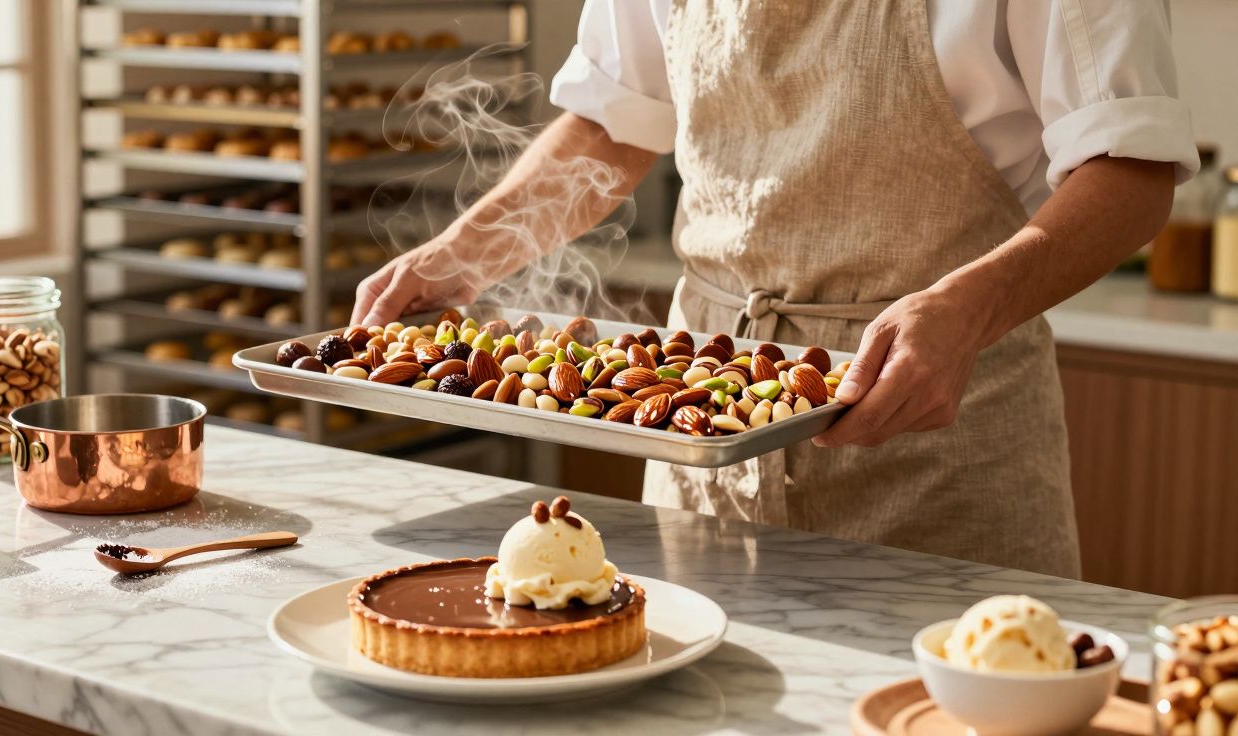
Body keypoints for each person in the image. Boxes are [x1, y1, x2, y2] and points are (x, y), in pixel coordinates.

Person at [353, 1, 1198, 577]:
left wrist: (966, 309)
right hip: (701, 428)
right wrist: (458, 256)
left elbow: (1131, 168)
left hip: (946, 435)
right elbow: (615, 124)